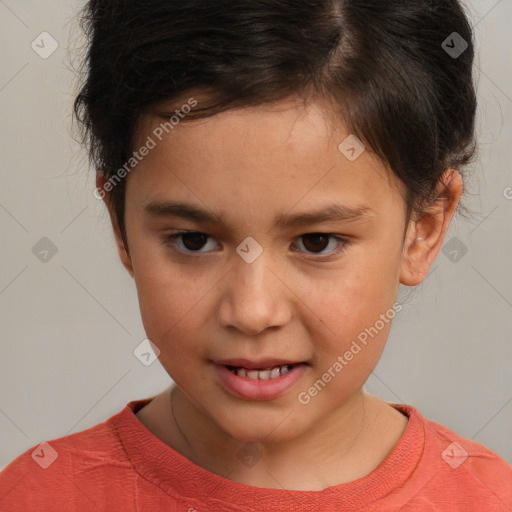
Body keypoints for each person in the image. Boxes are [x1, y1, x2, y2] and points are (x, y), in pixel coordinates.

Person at [1, 0, 511, 510]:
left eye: (316, 242)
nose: (252, 311)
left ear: (422, 229)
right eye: (193, 240)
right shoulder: (37, 497)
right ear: (120, 222)